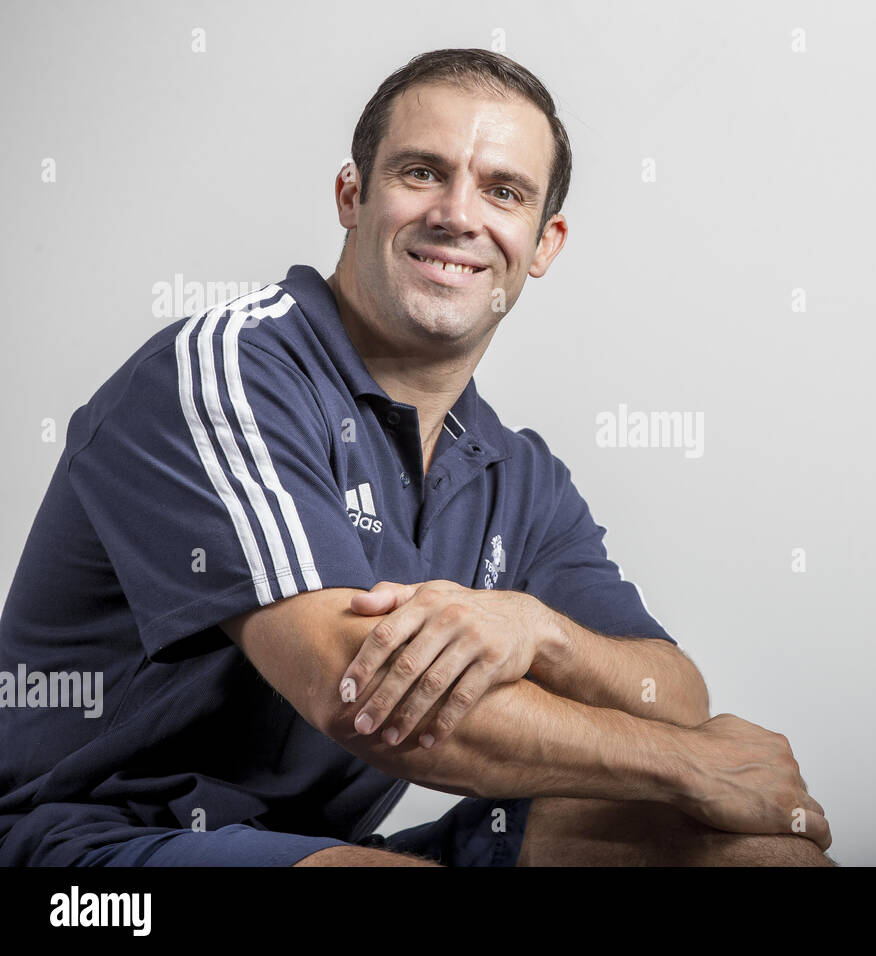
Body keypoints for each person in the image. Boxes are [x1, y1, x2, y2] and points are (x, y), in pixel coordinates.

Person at [0, 49, 831, 867]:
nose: (458, 216)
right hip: (92, 841)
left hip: (328, 845)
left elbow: (675, 696)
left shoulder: (517, 473)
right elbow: (357, 694)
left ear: (543, 243)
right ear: (351, 196)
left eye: (503, 191)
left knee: (749, 850)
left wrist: (539, 632)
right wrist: (689, 768)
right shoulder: (226, 372)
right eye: (422, 173)